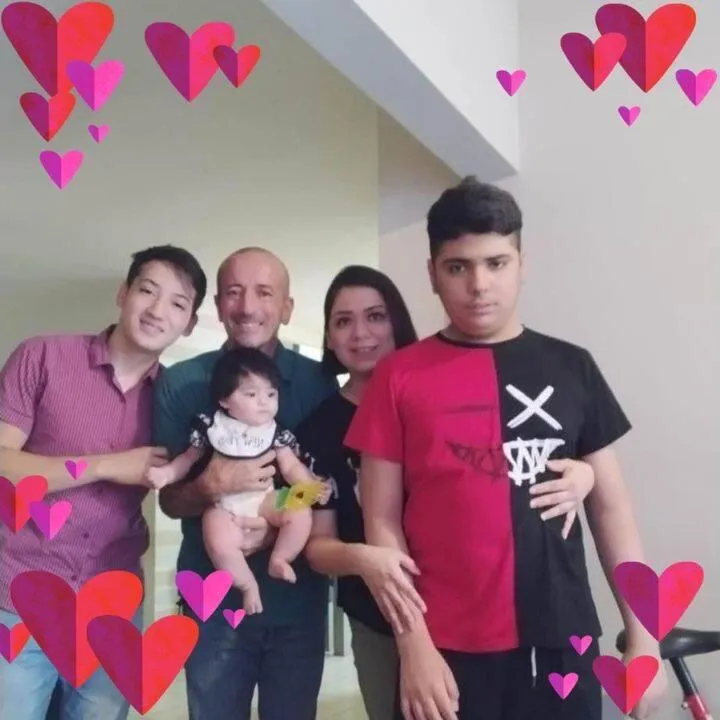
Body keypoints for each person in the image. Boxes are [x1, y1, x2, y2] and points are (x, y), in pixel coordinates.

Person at [344, 177, 669, 720]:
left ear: (522, 264)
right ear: (432, 274)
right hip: (443, 648)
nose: (479, 284)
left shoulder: (572, 366)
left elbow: (612, 510)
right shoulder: (398, 377)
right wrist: (413, 644)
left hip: (562, 637)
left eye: (496, 263)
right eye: (458, 267)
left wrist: (646, 639)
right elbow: (382, 524)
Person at [297, 264, 598, 720]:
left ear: (397, 321)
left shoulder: (441, 387)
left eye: (375, 316)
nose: (360, 334)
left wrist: (585, 473)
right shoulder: (316, 430)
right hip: (378, 617)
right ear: (328, 337)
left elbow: (503, 465)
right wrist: (363, 558)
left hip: (459, 618)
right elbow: (315, 543)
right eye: (343, 321)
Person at [0, 245, 207, 720]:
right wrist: (108, 465)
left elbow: (190, 487)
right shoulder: (43, 356)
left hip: (112, 603)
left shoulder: (177, 399)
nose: (157, 310)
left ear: (189, 323)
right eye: (147, 290)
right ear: (123, 293)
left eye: (178, 303)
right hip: (19, 594)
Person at [153, 247, 337, 720]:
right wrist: (209, 487)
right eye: (234, 293)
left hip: (297, 598)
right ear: (218, 306)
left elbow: (321, 487)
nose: (248, 306)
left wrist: (276, 522)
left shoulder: (318, 383)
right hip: (212, 596)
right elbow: (170, 501)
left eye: (264, 293)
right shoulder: (182, 383)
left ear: (287, 308)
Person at [148, 346, 332, 613]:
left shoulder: (274, 432)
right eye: (251, 394)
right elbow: (186, 460)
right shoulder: (212, 428)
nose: (264, 402)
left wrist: (311, 486)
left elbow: (291, 466)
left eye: (271, 394)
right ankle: (247, 585)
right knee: (217, 536)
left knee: (299, 508)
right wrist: (165, 474)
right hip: (224, 507)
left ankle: (281, 558)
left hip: (266, 500)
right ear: (224, 400)